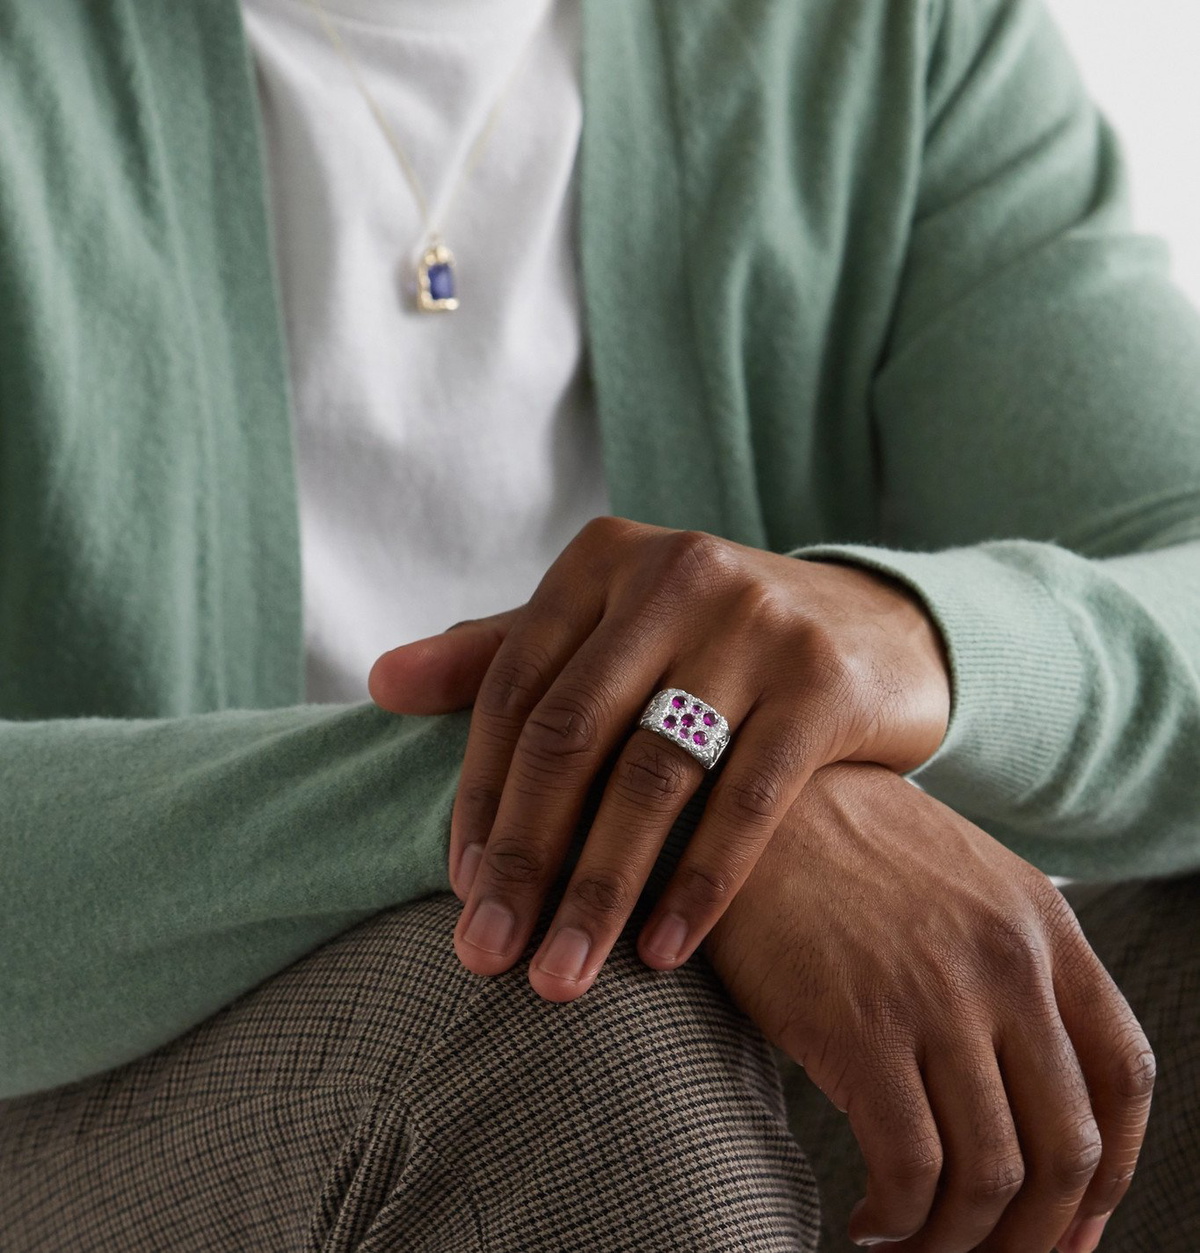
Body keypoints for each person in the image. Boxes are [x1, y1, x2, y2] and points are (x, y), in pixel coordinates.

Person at [0, 0, 1197, 1249]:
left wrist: (897, 646)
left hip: (714, 1117)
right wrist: (654, 786)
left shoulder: (877, 35)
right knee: (566, 1040)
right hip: (85, 1100)